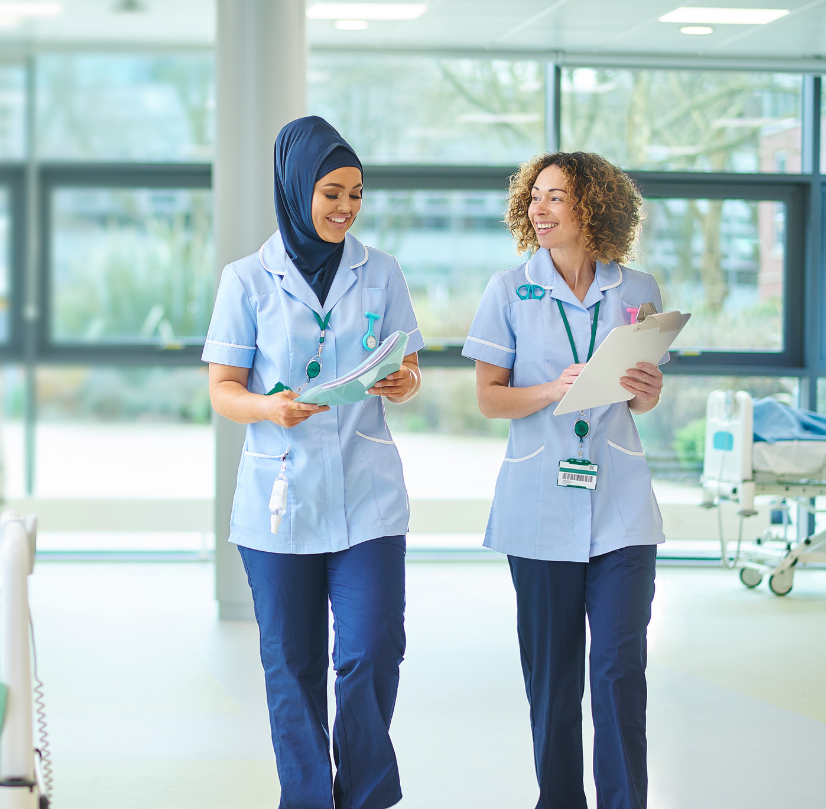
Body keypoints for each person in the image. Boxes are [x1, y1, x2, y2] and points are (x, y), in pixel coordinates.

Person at [204, 116, 422, 809]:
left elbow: (411, 368)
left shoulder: (380, 271)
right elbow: (222, 390)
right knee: (292, 666)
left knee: (371, 650)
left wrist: (402, 381)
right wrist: (270, 408)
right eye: (332, 193)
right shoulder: (247, 280)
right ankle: (306, 799)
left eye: (356, 194)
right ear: (298, 190)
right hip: (281, 495)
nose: (345, 208)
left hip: (368, 492)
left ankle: (363, 797)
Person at [463, 152, 665, 809]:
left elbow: (640, 400)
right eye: (535, 197)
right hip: (540, 505)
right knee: (552, 684)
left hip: (622, 508)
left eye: (556, 198)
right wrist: (552, 390)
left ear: (594, 208)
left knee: (618, 673)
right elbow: (491, 399)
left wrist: (646, 390)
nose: (539, 210)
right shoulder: (507, 290)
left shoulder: (637, 291)